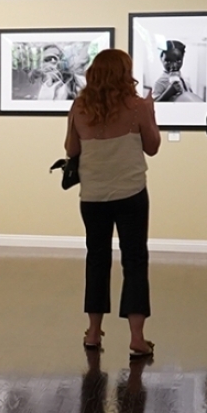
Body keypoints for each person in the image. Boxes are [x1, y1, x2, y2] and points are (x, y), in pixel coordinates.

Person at [64, 49, 160, 356]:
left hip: (92, 196)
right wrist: (150, 113)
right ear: (124, 73)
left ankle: (93, 332)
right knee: (134, 260)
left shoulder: (80, 106)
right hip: (131, 193)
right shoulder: (137, 107)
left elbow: (70, 147)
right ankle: (136, 337)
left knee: (97, 258)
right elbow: (153, 147)